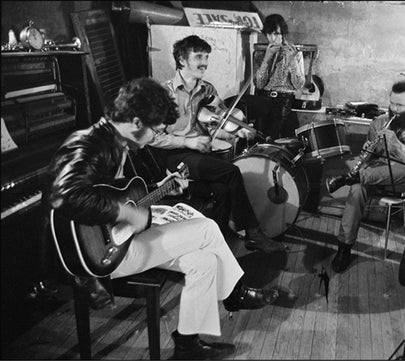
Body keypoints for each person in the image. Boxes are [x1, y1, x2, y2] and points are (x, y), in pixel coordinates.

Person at [46, 77, 279, 359]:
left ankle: (187, 345)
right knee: (206, 228)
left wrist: (162, 188)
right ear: (135, 122)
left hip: (125, 240)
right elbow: (64, 195)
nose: (152, 140)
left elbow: (120, 194)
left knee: (204, 262)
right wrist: (126, 212)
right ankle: (233, 293)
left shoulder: (120, 142)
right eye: (153, 132)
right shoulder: (87, 144)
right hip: (101, 255)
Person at [149, 35, 286, 254]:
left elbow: (216, 119)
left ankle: (216, 241)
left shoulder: (207, 90)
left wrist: (235, 131)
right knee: (232, 173)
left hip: (200, 152)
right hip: (176, 156)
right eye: (198, 56)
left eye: (206, 56)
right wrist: (187, 141)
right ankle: (253, 233)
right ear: (182, 60)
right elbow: (153, 137)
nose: (204, 62)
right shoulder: (165, 94)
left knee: (222, 190)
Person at [328, 81, 405, 273]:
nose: (394, 109)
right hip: (374, 177)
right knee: (357, 188)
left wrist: (395, 144)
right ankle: (344, 248)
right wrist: (370, 150)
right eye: (392, 103)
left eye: (400, 105)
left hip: (403, 182)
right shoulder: (379, 122)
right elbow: (369, 156)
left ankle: (353, 177)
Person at [253, 13, 305, 139]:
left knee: (285, 144)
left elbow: (299, 85)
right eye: (269, 34)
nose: (272, 38)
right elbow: (259, 84)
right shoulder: (260, 52)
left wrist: (292, 61)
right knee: (261, 143)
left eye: (276, 33)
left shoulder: (295, 53)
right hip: (263, 101)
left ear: (283, 34)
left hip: (284, 103)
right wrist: (267, 58)